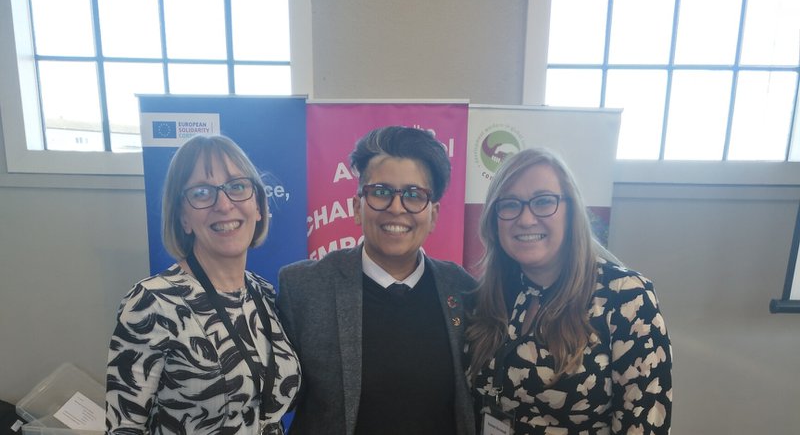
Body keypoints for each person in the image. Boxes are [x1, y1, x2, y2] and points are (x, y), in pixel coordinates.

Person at [277, 126, 477, 435]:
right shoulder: (304, 288)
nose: (396, 209)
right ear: (358, 207)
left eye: (414, 195)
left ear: (433, 215)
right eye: (381, 192)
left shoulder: (463, 290)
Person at [466, 148, 672, 434]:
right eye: (510, 204)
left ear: (572, 210)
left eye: (543, 201)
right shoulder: (490, 294)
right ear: (494, 218)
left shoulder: (626, 298)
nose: (525, 219)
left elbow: (644, 424)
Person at [106, 135, 301, 434]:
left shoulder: (264, 294)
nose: (224, 204)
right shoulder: (152, 303)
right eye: (201, 193)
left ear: (259, 205)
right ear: (183, 217)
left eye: (237, 187)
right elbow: (124, 427)